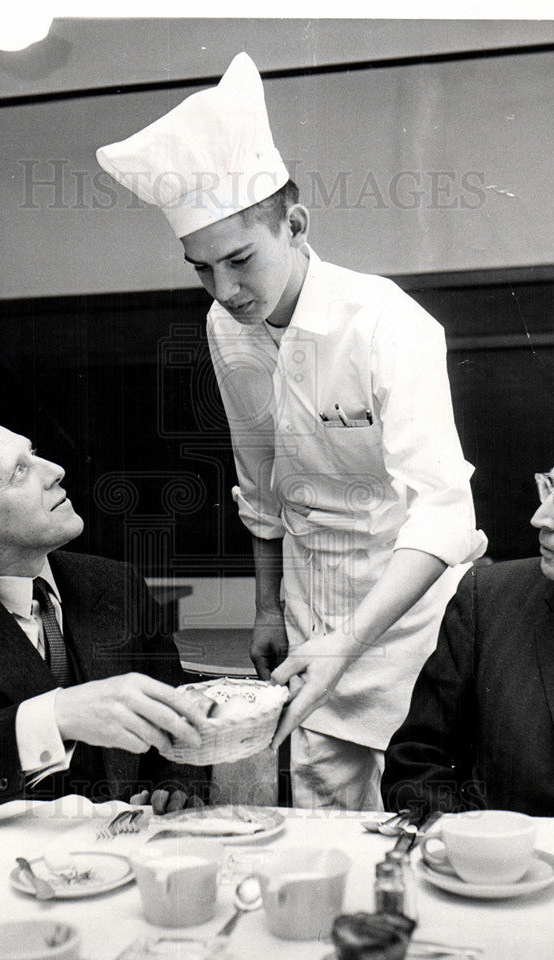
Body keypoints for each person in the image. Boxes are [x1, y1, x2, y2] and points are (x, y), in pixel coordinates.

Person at [95, 53, 486, 810]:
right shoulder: (224, 326)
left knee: (419, 814)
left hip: (411, 619)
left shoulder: (387, 323)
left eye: (239, 260)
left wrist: (349, 642)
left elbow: (445, 511)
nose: (225, 290)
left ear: (296, 226)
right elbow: (261, 483)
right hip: (312, 617)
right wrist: (270, 609)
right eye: (202, 270)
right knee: (324, 829)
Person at [0, 413, 211, 817]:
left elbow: (180, 720)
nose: (55, 471)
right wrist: (56, 716)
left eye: (33, 454)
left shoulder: (117, 584)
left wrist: (176, 784)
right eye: (19, 472)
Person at [381, 409, 554, 818]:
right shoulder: (488, 601)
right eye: (549, 489)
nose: (539, 518)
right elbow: (417, 767)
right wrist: (476, 851)